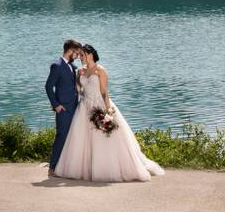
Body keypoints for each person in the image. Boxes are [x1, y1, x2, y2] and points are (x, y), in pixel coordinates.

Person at [53, 43, 165, 182]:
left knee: (103, 137)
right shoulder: (80, 71)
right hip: (83, 108)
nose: (80, 57)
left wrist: (108, 111)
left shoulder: (101, 71)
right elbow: (80, 90)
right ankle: (85, 169)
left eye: (82, 55)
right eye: (80, 55)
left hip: (99, 105)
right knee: (82, 139)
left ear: (90, 54)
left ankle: (105, 169)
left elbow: (105, 92)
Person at [44, 39, 82, 174]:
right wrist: (56, 105)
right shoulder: (57, 65)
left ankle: (65, 166)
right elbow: (48, 87)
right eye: (76, 53)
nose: (77, 57)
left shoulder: (72, 66)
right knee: (62, 136)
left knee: (72, 136)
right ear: (70, 51)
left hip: (75, 107)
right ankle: (52, 167)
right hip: (64, 109)